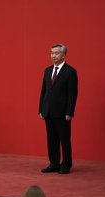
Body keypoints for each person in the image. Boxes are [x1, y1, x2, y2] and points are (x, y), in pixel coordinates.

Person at [39, 43, 78, 174]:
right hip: (48, 111)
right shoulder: (47, 70)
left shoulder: (70, 72)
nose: (53, 55)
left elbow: (73, 94)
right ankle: (54, 163)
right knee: (51, 139)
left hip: (62, 113)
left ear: (63, 55)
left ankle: (66, 164)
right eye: (51, 53)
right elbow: (44, 91)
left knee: (64, 139)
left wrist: (69, 112)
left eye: (56, 53)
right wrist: (41, 109)